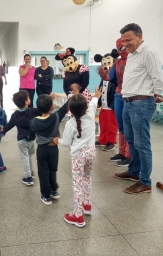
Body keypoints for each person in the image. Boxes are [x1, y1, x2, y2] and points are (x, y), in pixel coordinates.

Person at [114, 23, 163, 194]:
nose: (125, 43)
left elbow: (158, 77)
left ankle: (145, 181)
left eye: (128, 40)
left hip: (141, 103)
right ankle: (134, 172)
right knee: (130, 139)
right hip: (128, 101)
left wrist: (157, 94)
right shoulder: (132, 54)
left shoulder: (148, 53)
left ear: (139, 36)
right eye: (123, 40)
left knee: (142, 143)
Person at [53, 87, 102, 228]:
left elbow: (67, 142)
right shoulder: (91, 113)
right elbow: (94, 101)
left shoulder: (70, 124)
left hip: (78, 156)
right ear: (85, 106)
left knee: (77, 183)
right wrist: (97, 94)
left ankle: (78, 215)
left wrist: (57, 140)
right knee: (87, 177)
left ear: (70, 110)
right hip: (91, 153)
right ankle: (87, 204)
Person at [29, 92, 69, 205]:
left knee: (43, 172)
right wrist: (74, 94)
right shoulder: (56, 117)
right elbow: (65, 107)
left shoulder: (33, 122)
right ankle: (54, 190)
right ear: (52, 106)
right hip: (53, 149)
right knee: (52, 170)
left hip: (41, 150)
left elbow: (31, 135)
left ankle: (46, 195)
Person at [98, 39, 132, 166]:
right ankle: (122, 153)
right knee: (121, 126)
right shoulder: (117, 63)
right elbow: (109, 78)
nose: (120, 51)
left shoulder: (134, 60)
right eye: (118, 48)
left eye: (122, 48)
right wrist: (103, 74)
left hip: (130, 96)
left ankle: (129, 155)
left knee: (129, 127)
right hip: (118, 95)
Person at [1, 90, 41, 185]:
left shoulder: (15, 115)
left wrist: (4, 130)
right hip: (31, 139)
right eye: (28, 98)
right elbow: (42, 111)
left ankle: (28, 177)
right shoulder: (33, 111)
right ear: (27, 102)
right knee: (30, 156)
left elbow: (9, 125)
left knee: (24, 158)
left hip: (21, 140)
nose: (29, 99)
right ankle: (31, 172)